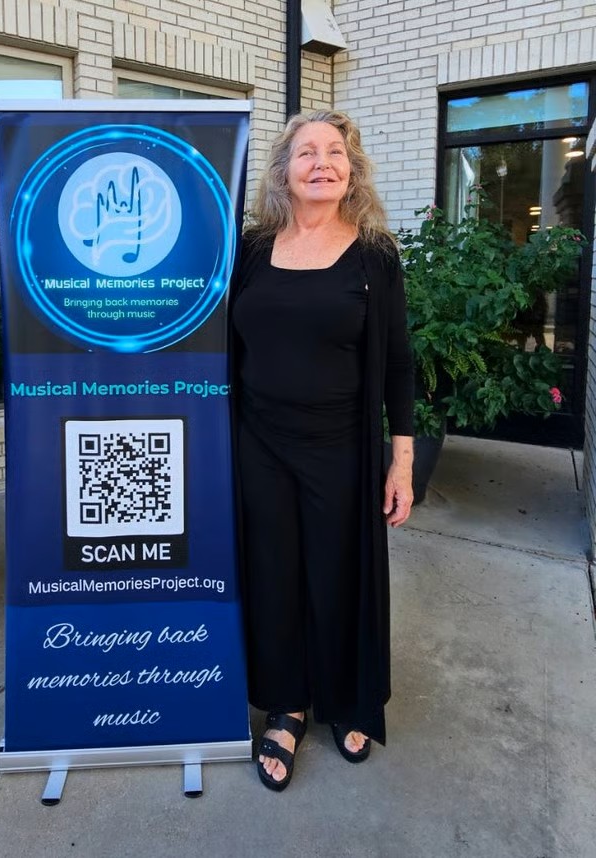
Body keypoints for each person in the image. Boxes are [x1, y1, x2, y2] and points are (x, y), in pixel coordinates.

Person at [231, 109, 414, 791]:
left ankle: (345, 698)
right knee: (274, 575)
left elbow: (399, 363)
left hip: (340, 447)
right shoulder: (251, 249)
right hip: (258, 442)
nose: (321, 163)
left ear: (351, 171)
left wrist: (401, 462)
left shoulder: (375, 255)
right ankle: (287, 705)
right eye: (306, 152)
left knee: (338, 577)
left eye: (335, 152)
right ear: (284, 171)